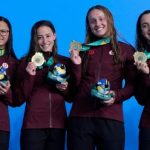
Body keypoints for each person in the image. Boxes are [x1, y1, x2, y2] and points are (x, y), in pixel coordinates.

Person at [68, 5, 136, 150]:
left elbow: (132, 85)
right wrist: (76, 65)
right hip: (80, 118)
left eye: (101, 19)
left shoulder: (126, 50)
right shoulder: (81, 50)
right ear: (88, 26)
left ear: (109, 20)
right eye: (93, 21)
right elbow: (73, 88)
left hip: (111, 119)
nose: (98, 24)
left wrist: (116, 96)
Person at [14, 20, 70, 150]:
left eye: (48, 36)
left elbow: (71, 96)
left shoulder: (64, 62)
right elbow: (18, 98)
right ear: (34, 40)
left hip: (58, 125)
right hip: (33, 125)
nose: (45, 41)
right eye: (40, 37)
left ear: (54, 36)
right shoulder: (25, 63)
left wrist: (66, 89)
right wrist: (29, 76)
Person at [0, 16, 18, 150]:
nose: (0, 34)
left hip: (1, 124)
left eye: (3, 31)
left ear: (9, 34)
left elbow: (15, 100)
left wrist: (6, 92)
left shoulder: (13, 63)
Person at [134, 10, 150, 150]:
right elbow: (141, 99)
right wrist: (145, 75)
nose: (149, 29)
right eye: (145, 25)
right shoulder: (141, 59)